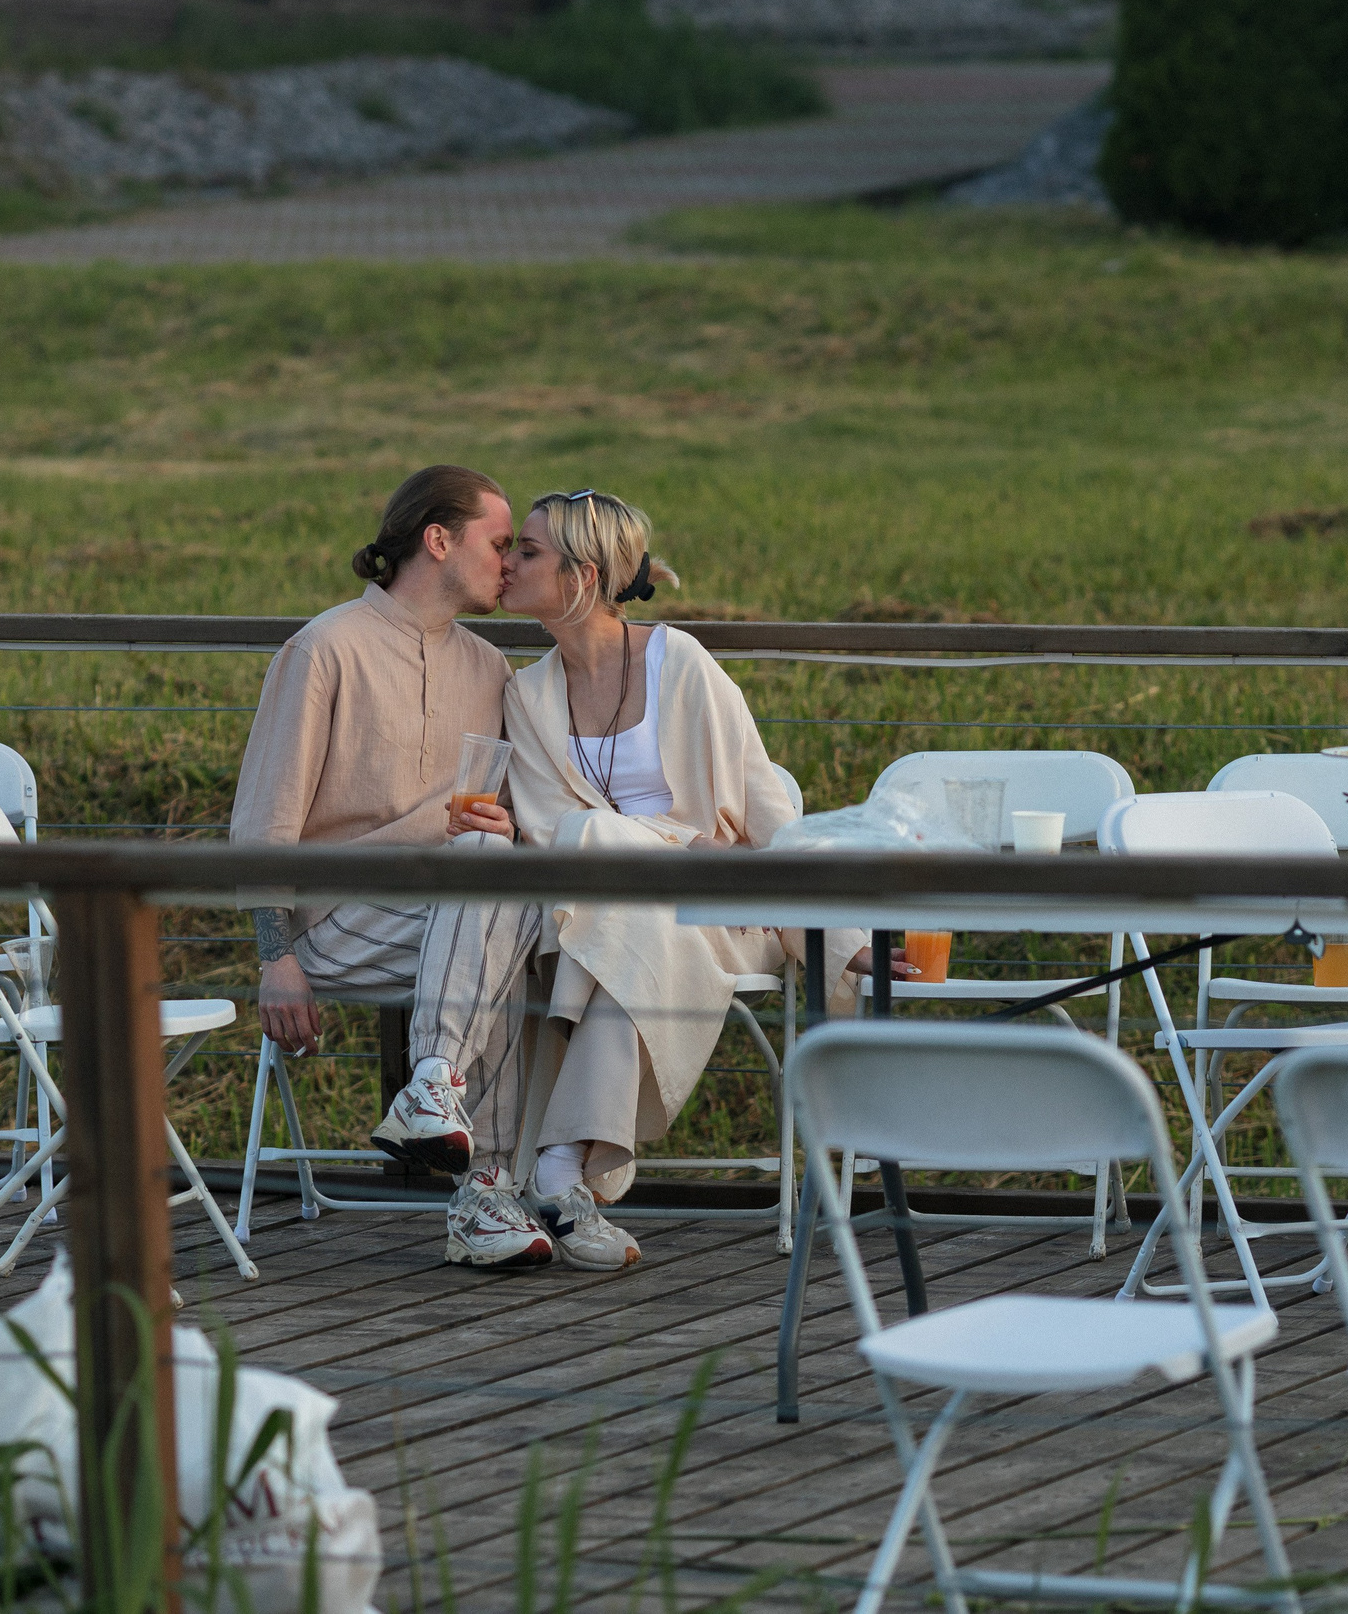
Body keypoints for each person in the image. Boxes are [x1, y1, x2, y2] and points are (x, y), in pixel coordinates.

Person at [491, 489, 902, 1270]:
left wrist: (840, 937)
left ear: (582, 573)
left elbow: (769, 813)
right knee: (603, 873)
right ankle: (564, 1169)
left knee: (610, 876)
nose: (508, 563)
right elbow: (550, 836)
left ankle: (552, 1161)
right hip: (604, 915)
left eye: (530, 551)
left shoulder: (680, 663)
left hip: (722, 910)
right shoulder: (526, 694)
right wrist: (663, 851)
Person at [230, 464, 556, 1269]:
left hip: (456, 915)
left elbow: (500, 818)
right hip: (336, 925)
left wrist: (498, 821)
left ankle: (437, 1096)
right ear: (438, 540)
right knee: (500, 902)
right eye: (498, 542)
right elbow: (264, 819)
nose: (508, 562)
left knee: (502, 886)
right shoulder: (324, 648)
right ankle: (484, 1191)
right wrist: (276, 956)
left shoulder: (489, 669)